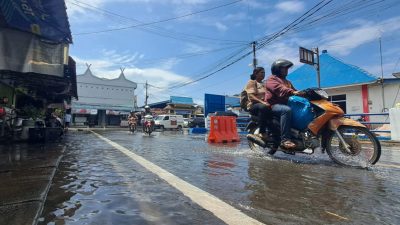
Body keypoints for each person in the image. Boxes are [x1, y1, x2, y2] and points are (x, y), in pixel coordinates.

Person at [265, 59, 303, 149]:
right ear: (277, 69)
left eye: (287, 68)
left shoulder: (287, 82)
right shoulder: (271, 79)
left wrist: (304, 94)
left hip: (285, 104)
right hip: (273, 105)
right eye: (284, 68)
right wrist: (293, 92)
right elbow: (279, 89)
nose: (286, 70)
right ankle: (285, 140)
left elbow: (295, 91)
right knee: (286, 110)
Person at [244, 67, 272, 141]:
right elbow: (251, 96)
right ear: (256, 74)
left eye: (264, 72)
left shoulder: (263, 84)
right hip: (254, 105)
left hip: (265, 104)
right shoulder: (252, 82)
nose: (264, 74)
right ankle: (262, 132)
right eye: (262, 72)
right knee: (263, 107)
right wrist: (262, 102)